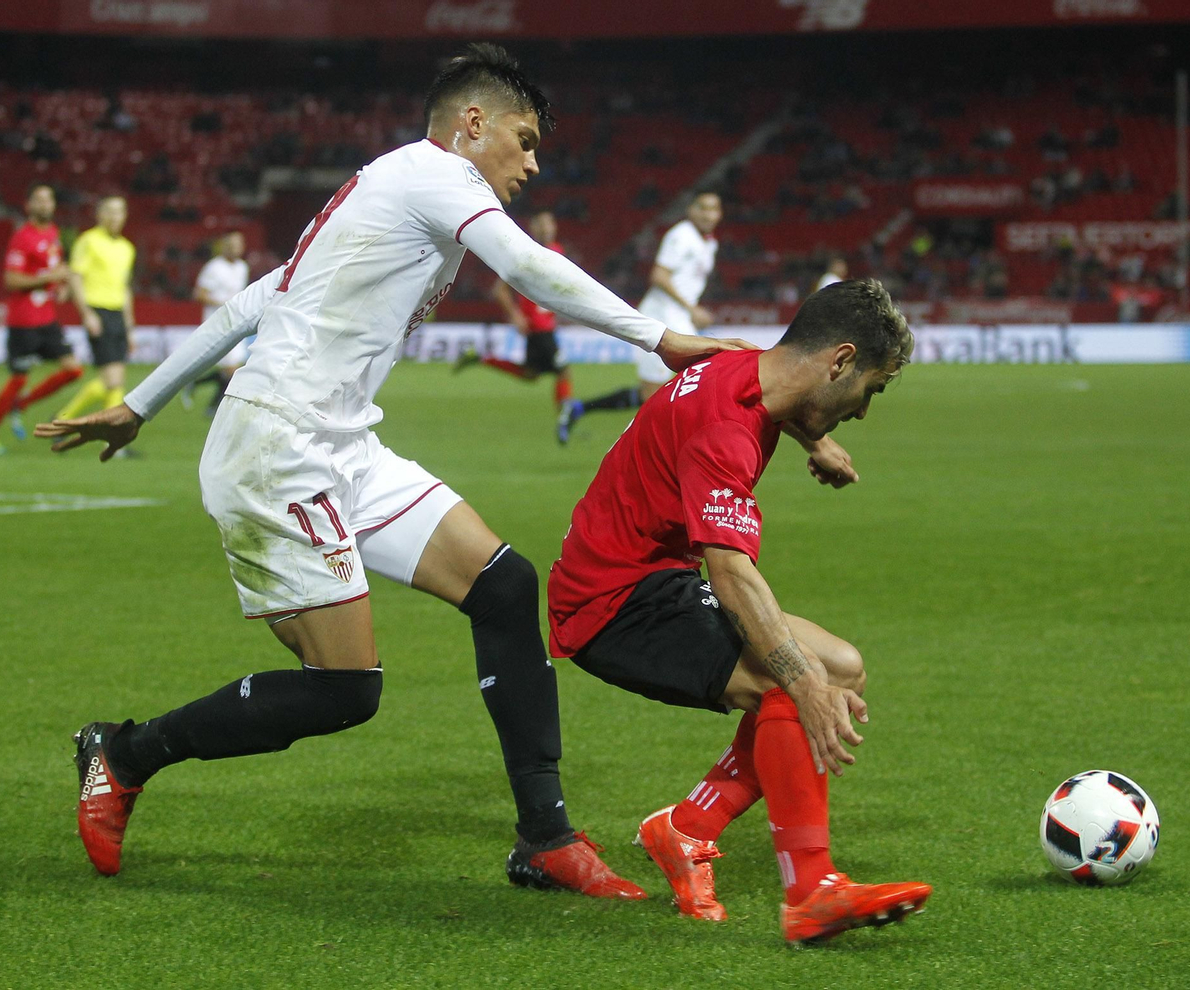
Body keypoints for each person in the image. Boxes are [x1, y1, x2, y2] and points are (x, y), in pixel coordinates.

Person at [37, 43, 747, 896]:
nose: (533, 162)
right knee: (346, 690)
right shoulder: (435, 176)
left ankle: (545, 838)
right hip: (276, 449)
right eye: (522, 140)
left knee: (506, 585)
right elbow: (524, 266)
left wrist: (140, 404)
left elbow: (257, 298)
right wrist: (658, 336)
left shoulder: (384, 189)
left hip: (342, 444)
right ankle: (123, 752)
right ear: (470, 124)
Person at [547, 278, 931, 946]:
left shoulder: (741, 365)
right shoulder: (725, 429)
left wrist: (816, 442)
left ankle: (686, 829)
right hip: (611, 603)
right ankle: (811, 892)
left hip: (647, 575)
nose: (864, 412)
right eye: (871, 389)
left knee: (843, 667)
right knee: (800, 674)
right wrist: (802, 685)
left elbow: (777, 395)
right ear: (840, 361)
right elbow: (731, 573)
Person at [560, 191, 721, 437]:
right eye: (702, 208)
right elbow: (659, 276)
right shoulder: (681, 235)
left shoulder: (710, 243)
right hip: (663, 315)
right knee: (698, 373)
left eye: (713, 209)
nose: (708, 214)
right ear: (691, 210)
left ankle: (580, 408)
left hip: (680, 316)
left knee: (662, 389)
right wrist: (692, 308)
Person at [0, 183, 83, 455]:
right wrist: (49, 279)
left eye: (49, 200)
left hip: (47, 318)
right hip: (23, 321)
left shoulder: (55, 234)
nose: (45, 205)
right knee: (18, 379)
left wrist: (63, 286)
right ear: (29, 206)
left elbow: (56, 270)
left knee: (73, 370)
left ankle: (21, 404)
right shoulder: (22, 237)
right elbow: (11, 280)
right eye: (39, 200)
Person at [453, 211, 577, 443]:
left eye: (551, 222)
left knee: (530, 374)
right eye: (542, 223)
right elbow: (499, 290)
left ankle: (481, 358)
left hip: (544, 325)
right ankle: (565, 419)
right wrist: (516, 315)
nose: (548, 227)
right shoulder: (525, 252)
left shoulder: (556, 250)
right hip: (539, 328)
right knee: (563, 372)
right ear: (533, 226)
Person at [56, 196, 136, 426]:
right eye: (109, 211)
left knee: (115, 381)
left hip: (118, 314)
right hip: (98, 311)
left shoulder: (126, 248)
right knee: (112, 380)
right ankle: (65, 419)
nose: (114, 216)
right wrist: (87, 313)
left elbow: (125, 288)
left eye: (119, 211)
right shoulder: (88, 241)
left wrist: (130, 326)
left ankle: (71, 423)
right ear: (99, 214)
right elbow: (75, 277)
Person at [186, 231, 251, 413]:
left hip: (237, 321)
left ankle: (199, 388)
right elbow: (199, 294)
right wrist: (224, 304)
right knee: (231, 369)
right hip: (217, 322)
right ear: (224, 246)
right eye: (232, 245)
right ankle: (215, 405)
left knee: (233, 368)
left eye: (239, 245)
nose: (236, 248)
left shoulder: (242, 267)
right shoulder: (214, 267)